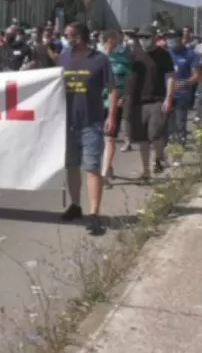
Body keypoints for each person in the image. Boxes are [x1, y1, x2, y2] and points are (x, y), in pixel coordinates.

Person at [58, 22, 117, 236]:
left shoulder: (100, 60)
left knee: (92, 167)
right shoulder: (63, 59)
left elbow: (112, 89)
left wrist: (111, 115)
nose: (65, 39)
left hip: (91, 123)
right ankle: (75, 205)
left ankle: (94, 214)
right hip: (67, 124)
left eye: (68, 35)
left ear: (80, 37)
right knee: (71, 166)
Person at [124, 27, 175, 180]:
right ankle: (146, 171)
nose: (143, 40)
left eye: (147, 36)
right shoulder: (134, 55)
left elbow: (170, 77)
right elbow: (128, 78)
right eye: (141, 37)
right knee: (142, 139)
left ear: (154, 37)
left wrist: (168, 98)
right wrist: (126, 97)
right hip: (138, 102)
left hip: (157, 100)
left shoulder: (163, 55)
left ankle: (159, 157)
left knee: (155, 134)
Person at [99, 30, 130, 188]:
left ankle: (104, 174)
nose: (111, 45)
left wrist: (125, 96)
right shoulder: (96, 59)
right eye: (108, 41)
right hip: (96, 103)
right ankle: (108, 165)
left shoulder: (123, 61)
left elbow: (130, 81)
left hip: (114, 104)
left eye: (115, 42)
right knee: (99, 140)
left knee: (109, 138)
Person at [168, 30, 201, 147]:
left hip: (182, 94)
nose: (171, 40)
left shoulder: (190, 54)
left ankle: (180, 146)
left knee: (180, 122)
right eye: (169, 37)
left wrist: (185, 82)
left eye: (173, 37)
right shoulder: (165, 54)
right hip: (166, 95)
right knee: (167, 125)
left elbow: (196, 76)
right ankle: (169, 147)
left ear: (180, 38)